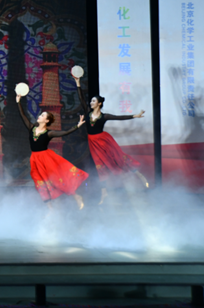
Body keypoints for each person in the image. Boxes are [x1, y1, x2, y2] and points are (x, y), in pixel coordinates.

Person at [74, 75, 148, 204]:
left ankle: (138, 174)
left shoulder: (104, 116)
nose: (91, 103)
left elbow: (119, 117)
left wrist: (135, 116)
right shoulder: (88, 113)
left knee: (118, 158)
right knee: (100, 166)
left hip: (104, 141)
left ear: (99, 103)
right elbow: (81, 99)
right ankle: (104, 194)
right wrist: (78, 83)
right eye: (91, 101)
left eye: (93, 101)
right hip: (93, 143)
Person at [16, 93, 88, 209]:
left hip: (46, 158)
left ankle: (76, 196)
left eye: (42, 115)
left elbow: (64, 132)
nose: (39, 116)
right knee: (39, 182)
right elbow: (23, 116)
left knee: (56, 179)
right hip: (34, 159)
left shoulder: (49, 133)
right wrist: (18, 102)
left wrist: (77, 126)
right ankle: (50, 208)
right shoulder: (32, 128)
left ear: (47, 120)